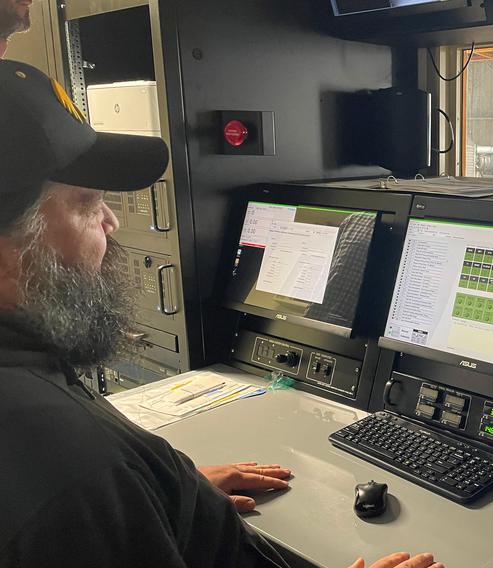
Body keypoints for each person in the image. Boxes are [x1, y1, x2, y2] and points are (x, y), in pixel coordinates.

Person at [0, 60, 443, 568]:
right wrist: (118, 490)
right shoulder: (72, 478)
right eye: (86, 203)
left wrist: (165, 489)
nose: (111, 220)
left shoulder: (30, 378)